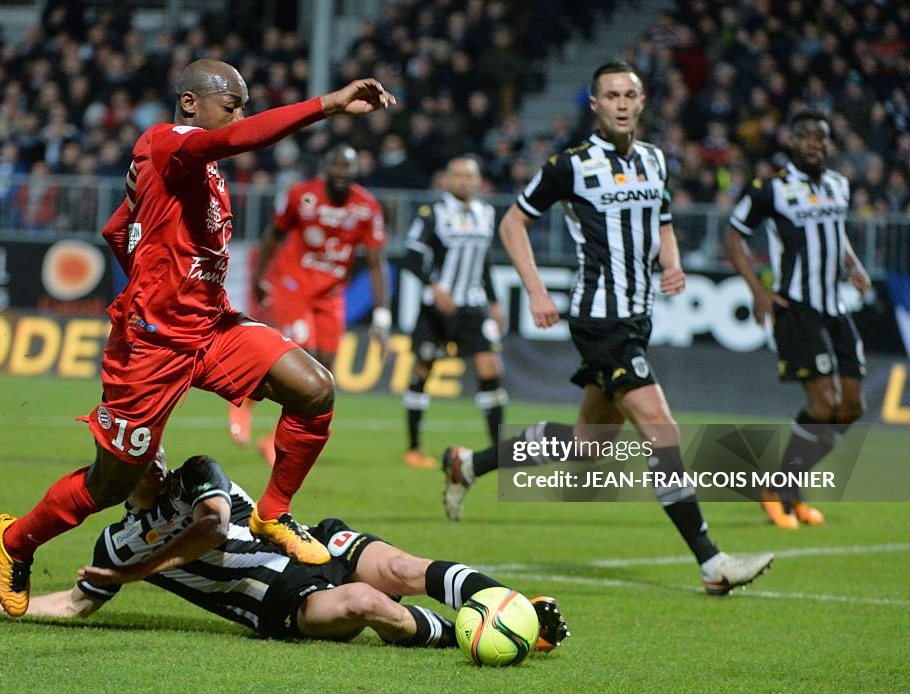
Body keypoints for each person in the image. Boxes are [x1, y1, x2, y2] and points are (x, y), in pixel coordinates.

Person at [0, 59, 397, 618]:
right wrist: (326, 104)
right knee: (112, 485)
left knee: (315, 389)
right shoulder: (166, 142)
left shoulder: (200, 174)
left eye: (243, 106)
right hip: (153, 347)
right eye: (232, 104)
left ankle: (272, 513)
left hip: (212, 328)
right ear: (190, 103)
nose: (240, 116)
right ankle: (16, 541)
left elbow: (117, 228)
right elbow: (237, 140)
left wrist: (157, 267)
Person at [447, 61, 774, 595]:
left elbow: (663, 219)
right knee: (661, 431)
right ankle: (712, 562)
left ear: (642, 102)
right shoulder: (571, 165)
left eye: (631, 94)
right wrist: (534, 289)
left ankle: (469, 463)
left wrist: (672, 262)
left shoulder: (654, 160)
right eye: (611, 95)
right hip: (600, 320)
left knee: (586, 446)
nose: (622, 103)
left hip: (637, 315)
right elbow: (513, 223)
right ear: (595, 105)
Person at [0, 452, 569, 652]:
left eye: (152, 442)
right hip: (279, 603)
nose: (154, 454)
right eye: (138, 452)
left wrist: (144, 572)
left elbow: (213, 526)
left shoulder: (197, 473)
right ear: (114, 475)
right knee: (369, 601)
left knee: (406, 567)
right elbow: (74, 606)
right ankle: (475, 633)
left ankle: (515, 612)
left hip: (311, 545)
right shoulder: (115, 542)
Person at [724, 110, 870, 529]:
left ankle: (789, 485)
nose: (813, 144)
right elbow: (734, 234)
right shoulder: (771, 189)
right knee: (823, 403)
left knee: (852, 407)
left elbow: (835, 232)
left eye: (820, 138)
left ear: (828, 144)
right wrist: (758, 290)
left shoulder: (839, 186)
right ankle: (779, 488)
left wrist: (853, 265)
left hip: (835, 308)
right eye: (805, 136)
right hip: (797, 308)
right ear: (792, 142)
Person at [229, 144, 391, 465]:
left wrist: (382, 314)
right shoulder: (301, 196)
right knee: (301, 362)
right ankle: (244, 402)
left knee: (323, 374)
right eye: (337, 167)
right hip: (294, 286)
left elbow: (376, 262)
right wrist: (260, 279)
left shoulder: (367, 207)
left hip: (331, 295)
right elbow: (273, 236)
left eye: (349, 168)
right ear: (325, 168)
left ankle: (272, 440)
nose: (342, 174)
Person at [401, 155, 506, 470]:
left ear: (478, 181)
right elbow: (411, 255)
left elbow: (483, 262)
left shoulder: (485, 213)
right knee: (423, 369)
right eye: (457, 175)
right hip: (437, 307)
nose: (464, 181)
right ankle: (414, 448)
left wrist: (495, 300)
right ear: (446, 179)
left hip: (472, 306)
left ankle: (498, 450)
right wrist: (433, 286)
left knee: (491, 370)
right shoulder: (432, 213)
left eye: (469, 176)